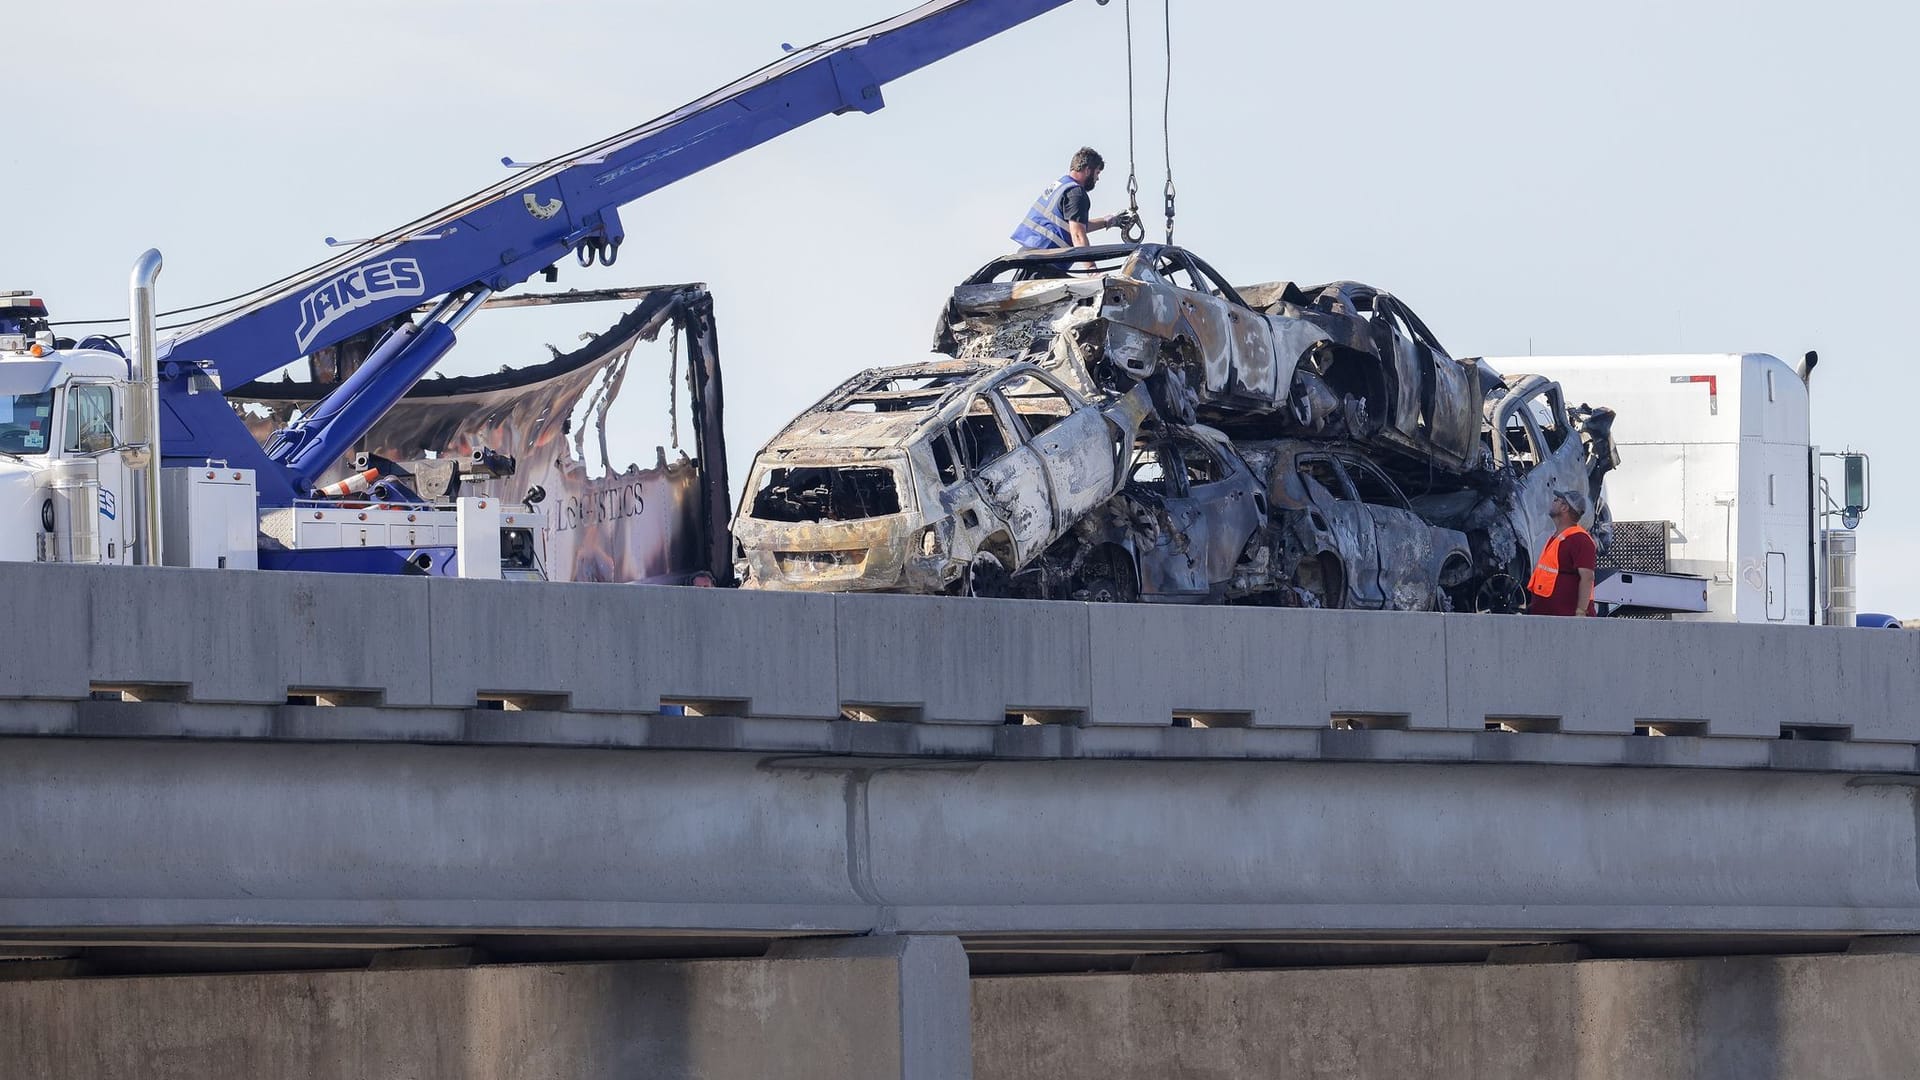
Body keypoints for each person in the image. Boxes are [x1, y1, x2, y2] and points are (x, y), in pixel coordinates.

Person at [1010, 147, 1135, 251]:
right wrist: (1091, 270)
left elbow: (1075, 226)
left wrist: (1109, 220)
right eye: (1097, 173)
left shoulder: (1062, 186)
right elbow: (1078, 235)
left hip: (1030, 253)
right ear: (1087, 170)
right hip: (1044, 259)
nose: (1097, 179)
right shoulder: (1076, 193)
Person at [1527, 489, 1597, 617]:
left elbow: (1587, 577)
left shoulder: (1580, 539)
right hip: (1547, 618)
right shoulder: (1556, 538)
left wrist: (1581, 612)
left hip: (1566, 621)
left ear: (1564, 508)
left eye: (1556, 500)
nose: (1552, 502)